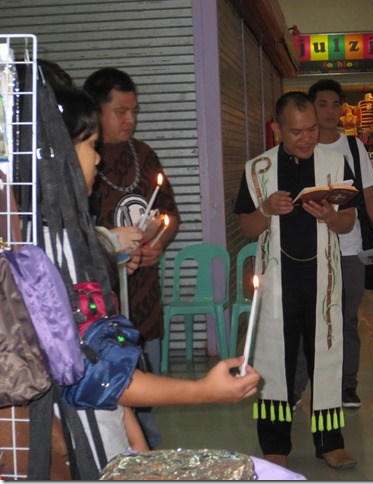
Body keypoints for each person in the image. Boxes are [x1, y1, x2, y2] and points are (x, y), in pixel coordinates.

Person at [49, 84, 261, 471]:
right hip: (83, 446)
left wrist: (137, 439)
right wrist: (203, 391)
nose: (97, 159)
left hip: (114, 413)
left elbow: (110, 368)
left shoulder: (137, 163)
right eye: (89, 145)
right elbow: (97, 374)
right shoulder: (56, 253)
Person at [234, 91, 358, 470]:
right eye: (296, 131)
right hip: (277, 283)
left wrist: (329, 217)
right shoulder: (258, 169)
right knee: (275, 363)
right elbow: (246, 228)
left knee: (327, 359)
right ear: (277, 129)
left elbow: (348, 221)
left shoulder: (335, 162)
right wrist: (265, 209)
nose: (306, 139)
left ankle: (330, 443)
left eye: (312, 130)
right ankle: (275, 444)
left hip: (323, 281)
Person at [83, 67, 180, 449]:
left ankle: (146, 458)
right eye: (120, 111)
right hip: (99, 307)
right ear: (95, 110)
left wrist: (158, 241)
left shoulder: (143, 155)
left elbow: (168, 213)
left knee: (145, 403)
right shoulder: (79, 161)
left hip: (143, 301)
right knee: (111, 405)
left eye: (134, 111)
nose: (130, 120)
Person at [300, 79, 373, 409]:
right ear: (311, 107)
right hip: (309, 251)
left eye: (335, 104)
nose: (330, 111)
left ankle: (346, 386)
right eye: (322, 104)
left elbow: (368, 196)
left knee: (346, 321)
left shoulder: (354, 148)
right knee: (309, 320)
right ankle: (299, 385)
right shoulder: (301, 148)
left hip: (350, 249)